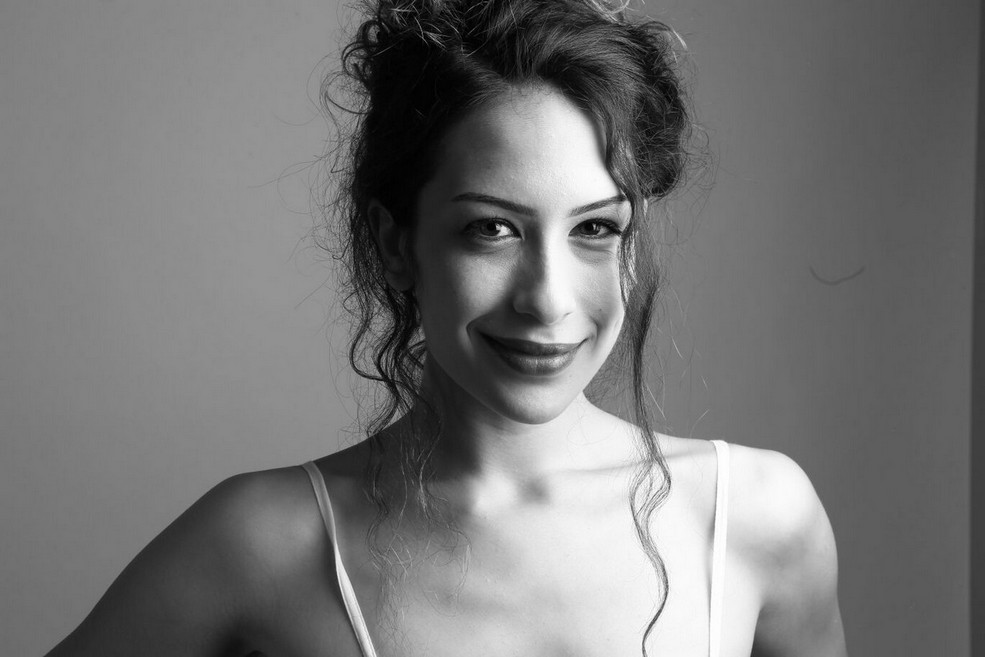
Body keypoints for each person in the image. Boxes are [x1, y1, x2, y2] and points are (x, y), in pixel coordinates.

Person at [45, 0, 846, 655]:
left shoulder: (755, 516)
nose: (548, 299)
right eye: (490, 229)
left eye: (595, 229)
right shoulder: (265, 541)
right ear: (396, 244)